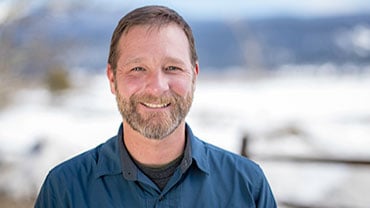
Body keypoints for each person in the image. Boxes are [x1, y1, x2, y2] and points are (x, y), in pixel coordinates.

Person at [35, 5, 277, 207]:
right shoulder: (64, 189)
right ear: (112, 78)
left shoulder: (247, 185)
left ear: (194, 75)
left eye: (172, 68)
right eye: (138, 69)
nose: (156, 87)